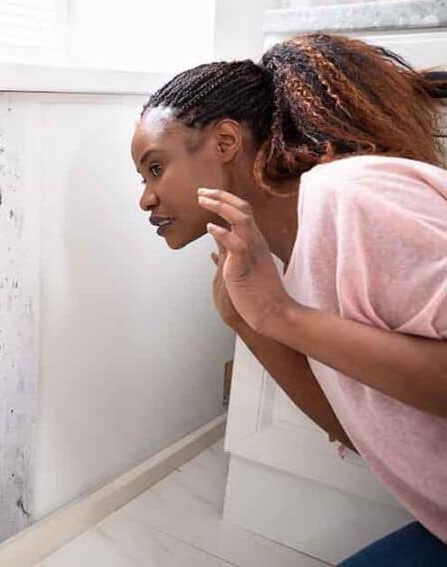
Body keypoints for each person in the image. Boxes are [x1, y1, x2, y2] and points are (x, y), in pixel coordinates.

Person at [130, 33, 446, 564]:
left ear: (226, 143)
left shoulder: (350, 195)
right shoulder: (278, 264)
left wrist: (280, 314)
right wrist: (249, 317)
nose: (145, 197)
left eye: (156, 167)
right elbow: (353, 428)